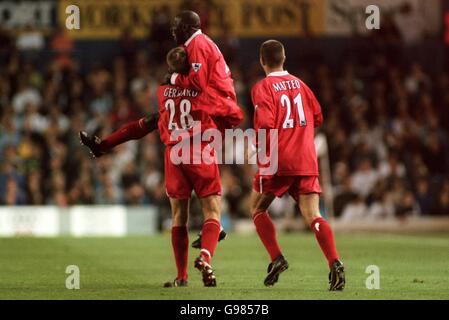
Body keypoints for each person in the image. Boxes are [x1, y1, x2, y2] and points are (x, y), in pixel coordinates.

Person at [80, 47, 240, 287]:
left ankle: (181, 276)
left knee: (179, 217)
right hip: (200, 151)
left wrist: (105, 144)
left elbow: (143, 125)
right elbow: (233, 113)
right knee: (213, 211)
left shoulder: (163, 91)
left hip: (174, 155)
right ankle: (206, 257)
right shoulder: (204, 89)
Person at [249, 40, 345, 290]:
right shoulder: (302, 85)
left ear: (262, 60)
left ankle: (277, 257)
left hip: (280, 160)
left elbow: (266, 125)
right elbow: (318, 116)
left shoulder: (262, 87)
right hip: (305, 158)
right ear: (284, 58)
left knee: (257, 209)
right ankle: (335, 262)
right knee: (314, 215)